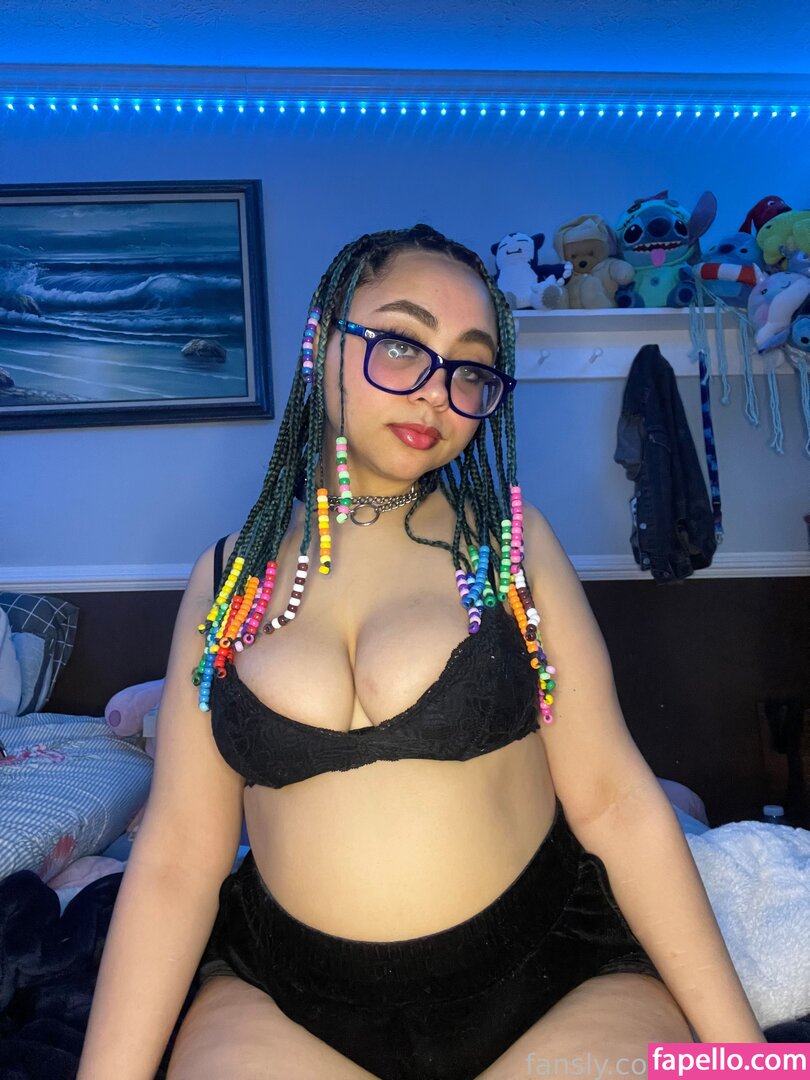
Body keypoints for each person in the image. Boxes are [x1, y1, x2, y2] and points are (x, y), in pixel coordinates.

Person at [78, 225, 765, 1080]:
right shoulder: (228, 576)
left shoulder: (508, 545)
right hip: (288, 999)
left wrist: (745, 1059)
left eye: (470, 369)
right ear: (322, 340)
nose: (438, 393)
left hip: (547, 975)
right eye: (403, 344)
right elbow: (180, 855)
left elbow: (617, 803)